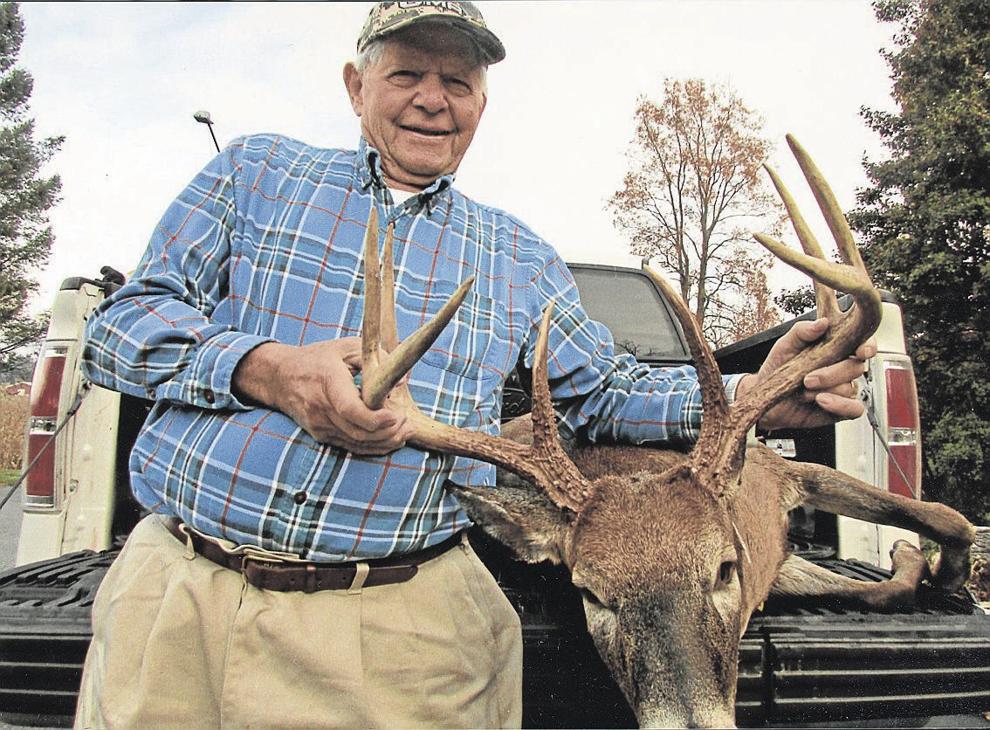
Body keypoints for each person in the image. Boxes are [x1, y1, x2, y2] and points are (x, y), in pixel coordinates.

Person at [75, 2, 873, 728]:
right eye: (407, 73)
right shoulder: (255, 176)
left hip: (397, 625)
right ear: (357, 87)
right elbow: (117, 330)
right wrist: (268, 369)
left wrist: (757, 392)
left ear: (480, 106)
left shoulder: (517, 257)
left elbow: (601, 394)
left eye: (457, 80)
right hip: (180, 592)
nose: (433, 98)